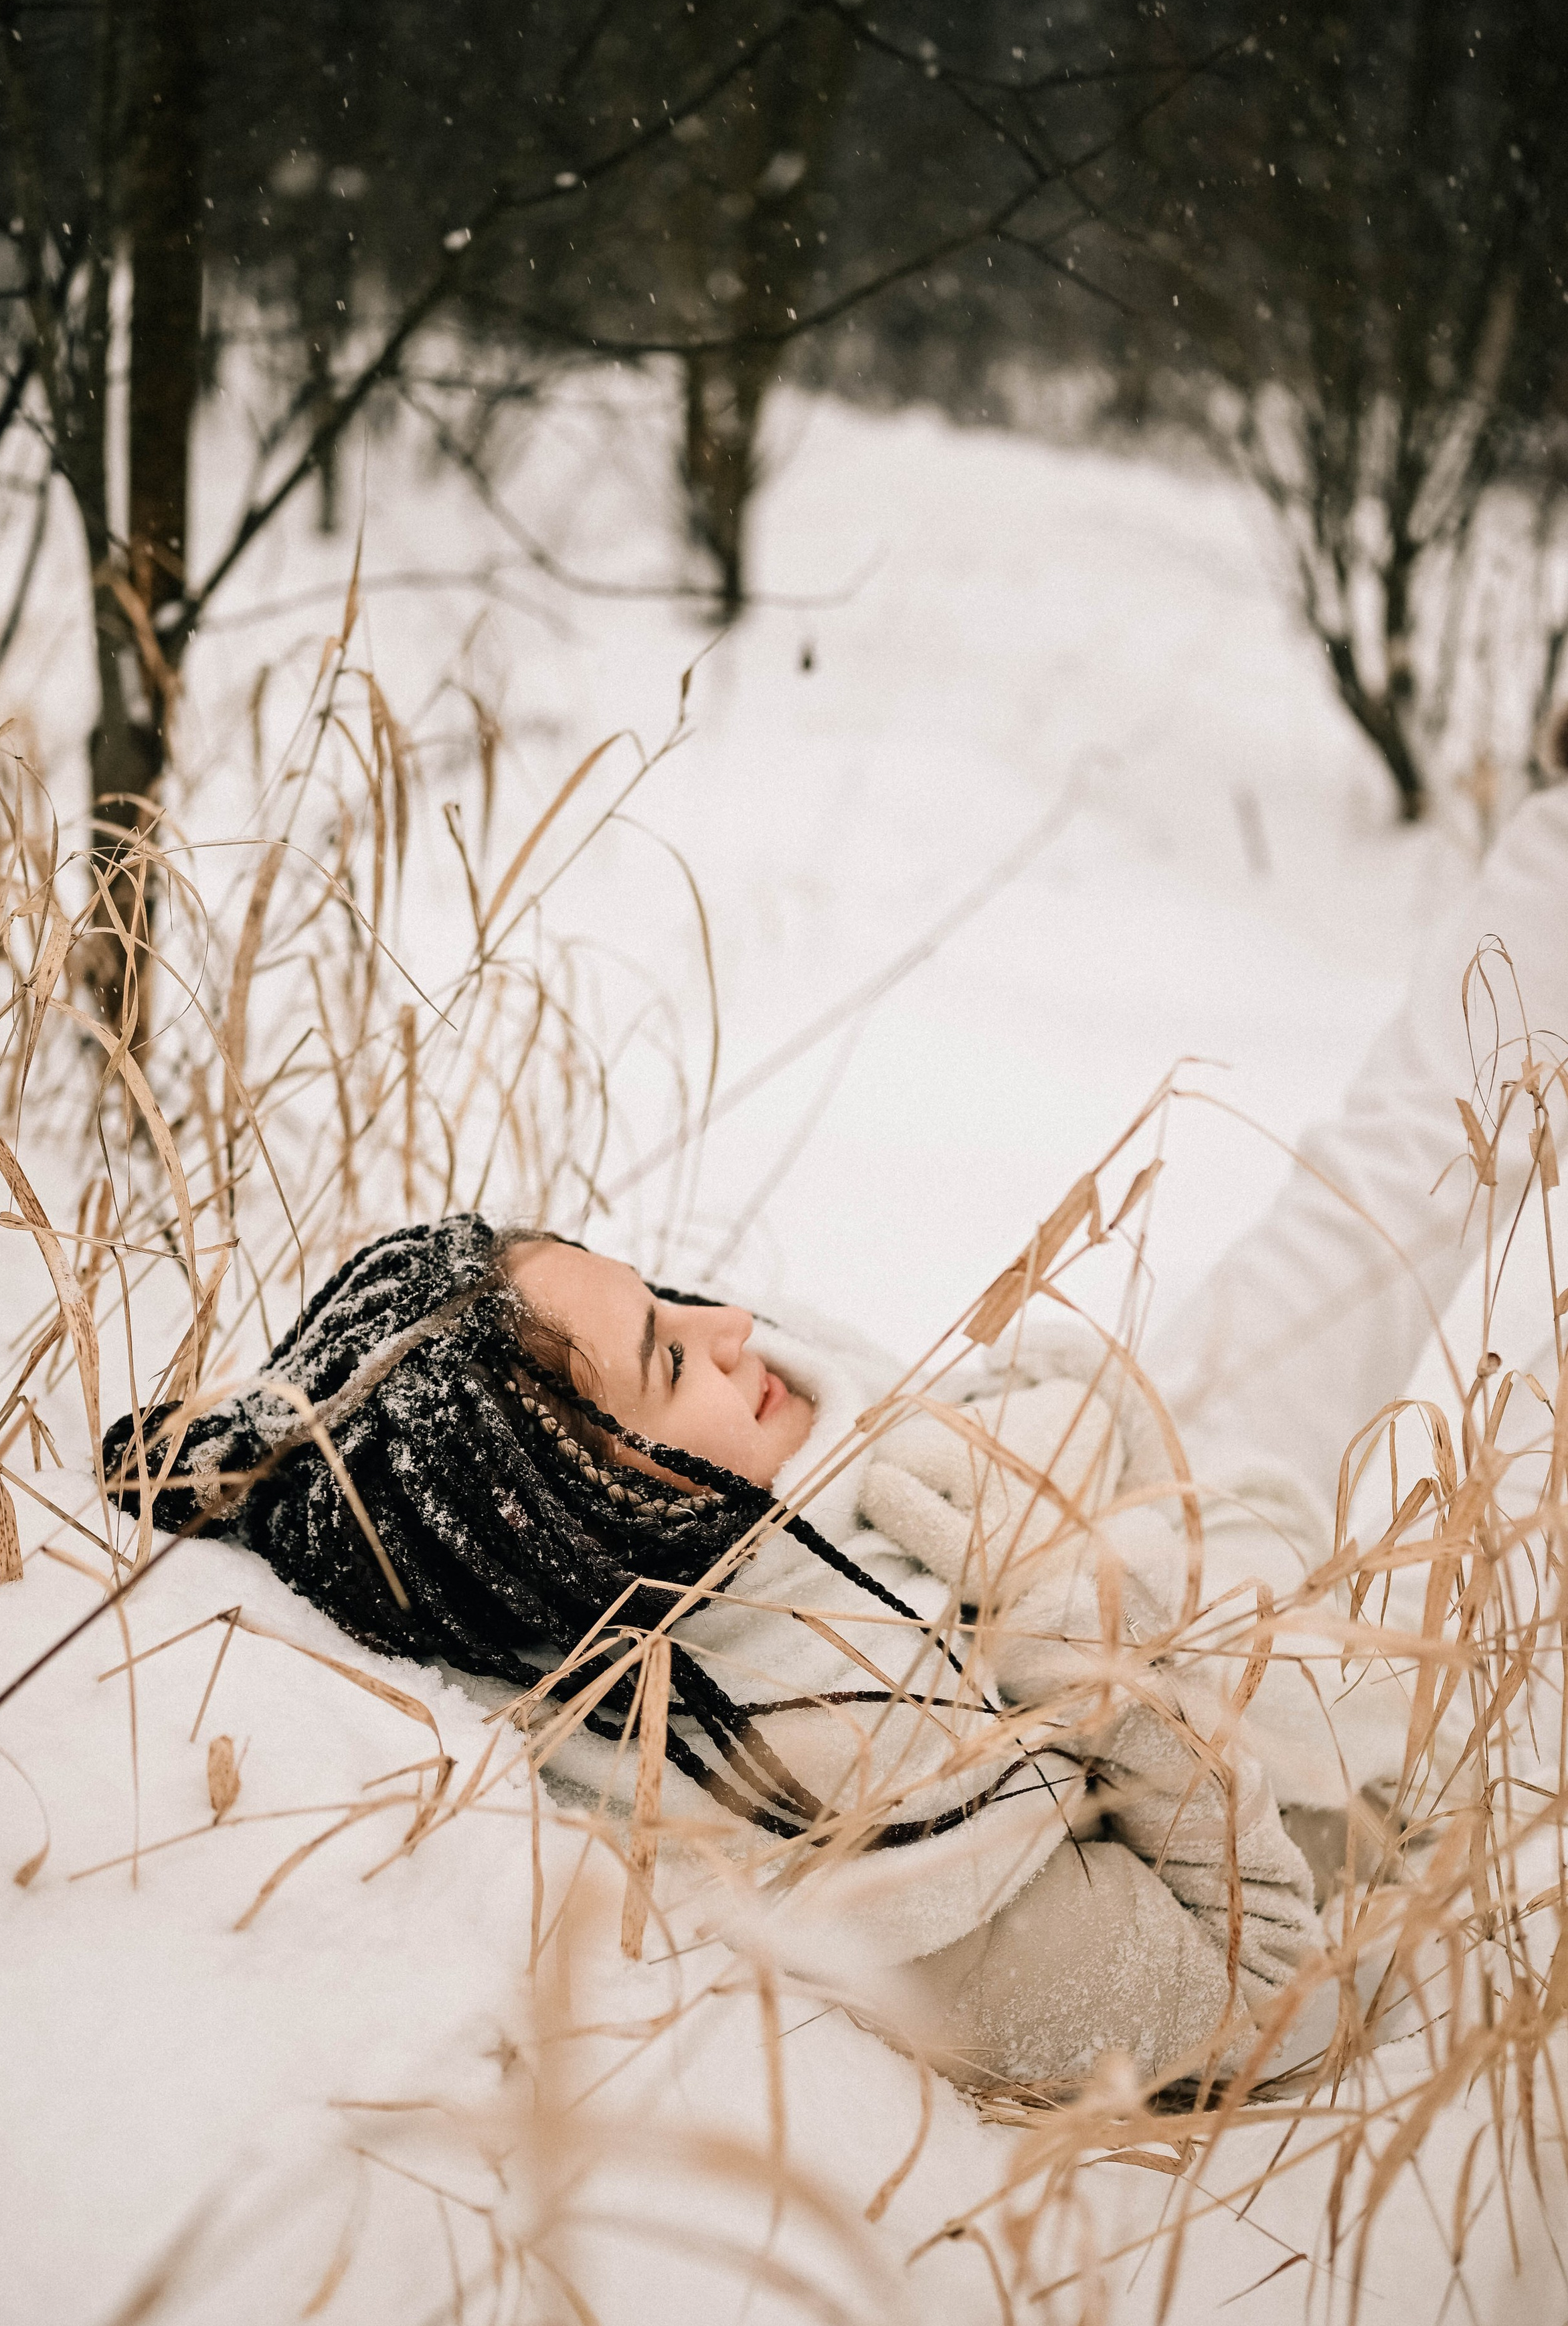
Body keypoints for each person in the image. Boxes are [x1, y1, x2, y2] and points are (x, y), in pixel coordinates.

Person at [103, 787, 1568, 2095]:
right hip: (1305, 1697)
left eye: (667, 1293)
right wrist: (1081, 1632)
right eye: (671, 1354)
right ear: (599, 1521)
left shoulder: (730, 1516)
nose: (738, 1321)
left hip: (1155, 1489)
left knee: (1393, 1166)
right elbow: (1252, 2004)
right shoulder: (865, 1822)